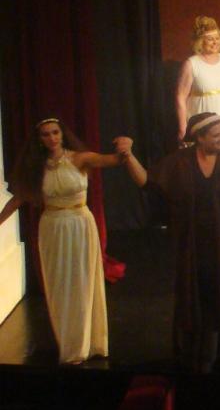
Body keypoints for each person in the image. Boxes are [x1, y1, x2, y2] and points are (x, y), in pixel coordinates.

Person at [122, 112, 220, 372]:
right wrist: (128, 156)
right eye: (216, 135)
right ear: (199, 138)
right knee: (199, 298)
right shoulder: (180, 162)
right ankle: (201, 356)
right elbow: (147, 181)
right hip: (194, 245)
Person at [0, 118, 131, 363]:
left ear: (62, 134)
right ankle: (70, 346)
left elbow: (113, 160)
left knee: (83, 281)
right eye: (46, 134)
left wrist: (126, 147)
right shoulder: (37, 168)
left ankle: (90, 343)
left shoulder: (80, 159)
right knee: (59, 285)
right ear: (39, 140)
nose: (52, 138)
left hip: (80, 224)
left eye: (55, 132)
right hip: (52, 227)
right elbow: (18, 199)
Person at [175, 16, 220, 147]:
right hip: (202, 119)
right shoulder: (192, 64)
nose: (215, 42)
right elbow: (180, 97)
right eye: (210, 39)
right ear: (200, 41)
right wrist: (183, 127)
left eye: (217, 38)